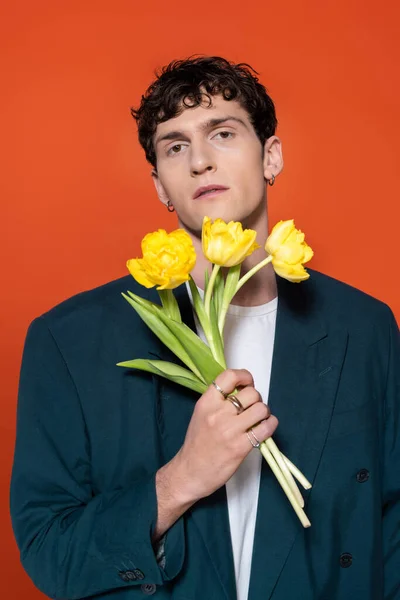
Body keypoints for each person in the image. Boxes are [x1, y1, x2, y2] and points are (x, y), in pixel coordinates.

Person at [10, 56, 399, 600]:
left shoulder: (365, 327)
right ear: (161, 188)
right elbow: (49, 551)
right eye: (174, 146)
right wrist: (182, 480)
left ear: (271, 155)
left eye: (222, 133)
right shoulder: (68, 341)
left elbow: (390, 522)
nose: (199, 161)